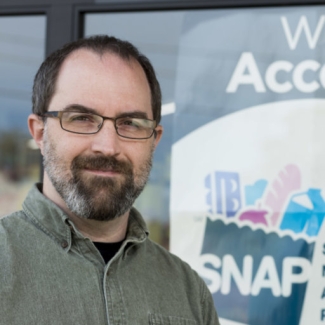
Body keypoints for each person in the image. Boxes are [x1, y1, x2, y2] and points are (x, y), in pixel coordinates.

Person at [0, 35, 220, 324]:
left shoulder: (188, 291)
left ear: (154, 140)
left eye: (130, 123)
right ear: (39, 132)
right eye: (81, 118)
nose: (108, 146)